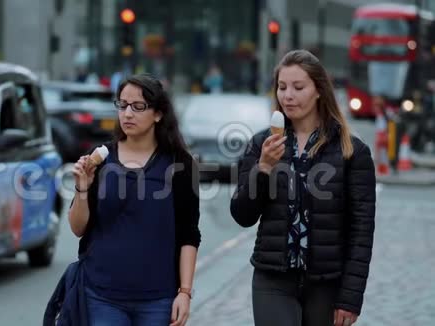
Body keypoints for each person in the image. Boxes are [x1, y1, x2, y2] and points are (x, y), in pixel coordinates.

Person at [230, 50, 376, 326]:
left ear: (319, 90)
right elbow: (242, 215)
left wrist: (350, 297)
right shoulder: (262, 144)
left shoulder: (351, 151)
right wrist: (262, 168)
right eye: (282, 87)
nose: (288, 96)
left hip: (326, 283)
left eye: (298, 87)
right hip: (272, 278)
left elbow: (361, 231)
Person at [68, 73, 201, 326]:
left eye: (138, 107)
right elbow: (77, 228)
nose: (128, 114)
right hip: (101, 294)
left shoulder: (180, 165)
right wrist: (82, 189)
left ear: (158, 114)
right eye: (122, 105)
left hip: (158, 298)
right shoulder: (101, 159)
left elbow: (189, 234)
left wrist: (184, 292)